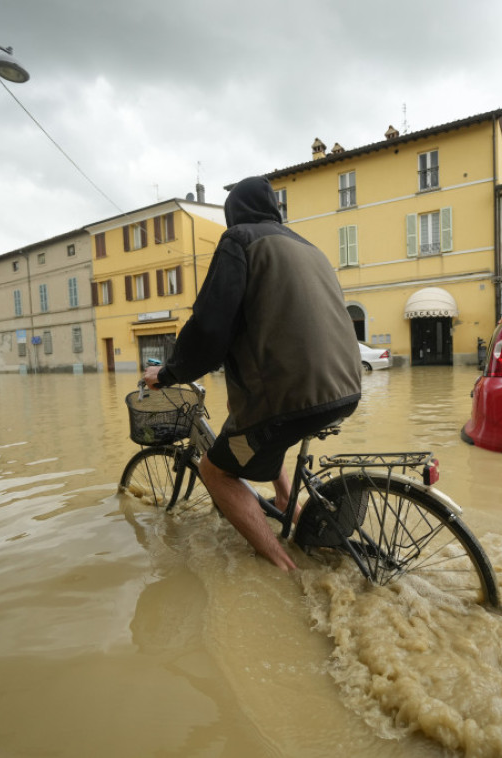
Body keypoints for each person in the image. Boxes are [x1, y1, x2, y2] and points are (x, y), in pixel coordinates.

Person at [143, 176, 362, 572]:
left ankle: (283, 568)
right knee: (258, 426)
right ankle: (286, 502)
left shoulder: (239, 240)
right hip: (344, 386)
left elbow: (210, 326)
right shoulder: (308, 247)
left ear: (234, 213)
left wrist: (169, 374)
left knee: (216, 470)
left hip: (290, 396)